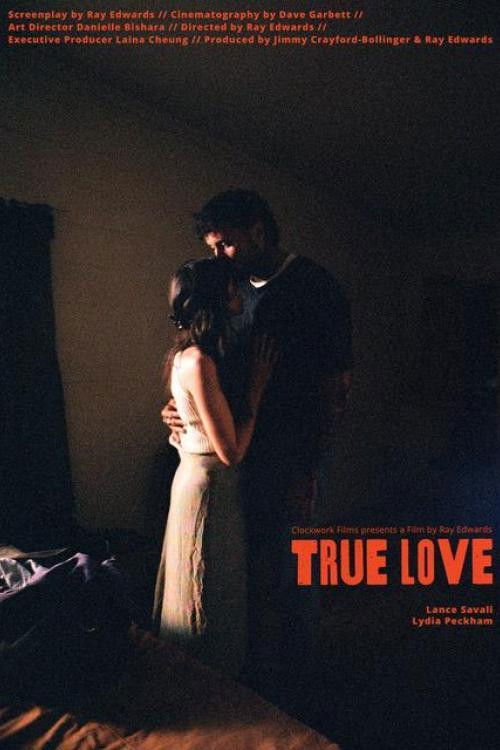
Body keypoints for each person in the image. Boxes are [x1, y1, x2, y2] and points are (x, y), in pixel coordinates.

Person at [163, 190, 352, 714]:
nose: (217, 255)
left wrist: (310, 467)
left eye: (225, 244)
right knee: (244, 576)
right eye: (212, 247)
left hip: (291, 456)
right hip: (236, 455)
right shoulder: (229, 290)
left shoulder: (315, 287)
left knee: (294, 575)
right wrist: (181, 410)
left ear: (258, 232)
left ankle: (299, 697)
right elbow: (209, 367)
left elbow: (336, 387)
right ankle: (254, 683)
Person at [153, 256, 276, 678]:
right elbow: (231, 452)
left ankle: (204, 674)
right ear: (217, 298)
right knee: (209, 586)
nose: (238, 293)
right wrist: (257, 388)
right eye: (231, 288)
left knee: (206, 582)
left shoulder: (188, 355)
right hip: (210, 487)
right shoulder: (199, 361)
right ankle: (210, 679)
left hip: (199, 480)